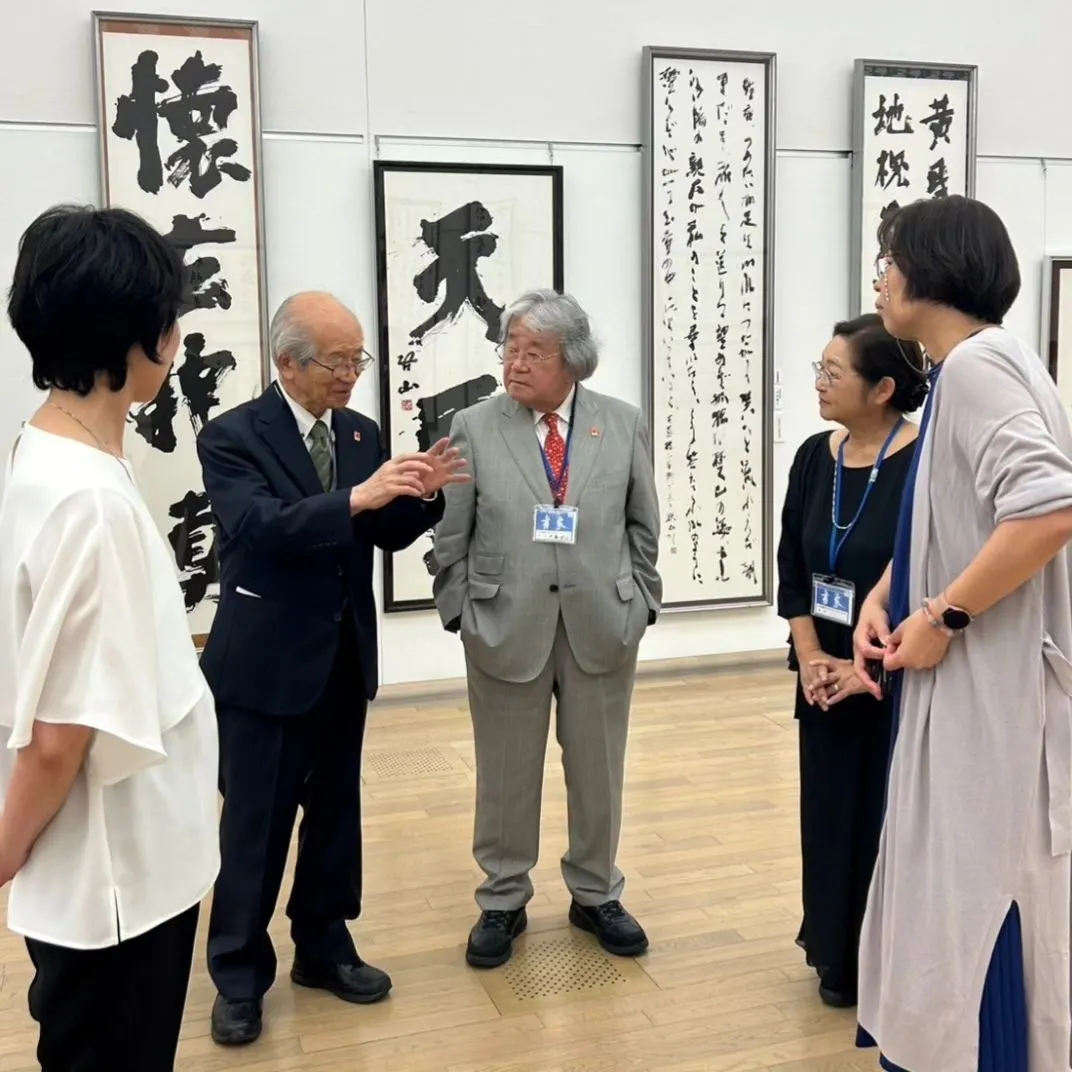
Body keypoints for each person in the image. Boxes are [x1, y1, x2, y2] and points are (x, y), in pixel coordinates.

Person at [197, 291, 467, 1046]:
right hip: (263, 667)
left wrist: (423, 495)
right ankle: (239, 974)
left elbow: (377, 527)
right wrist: (360, 495)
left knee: (336, 815)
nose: (351, 375)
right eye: (337, 361)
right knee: (256, 823)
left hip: (342, 658)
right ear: (287, 361)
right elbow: (261, 526)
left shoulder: (358, 430)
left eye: (358, 360)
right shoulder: (232, 436)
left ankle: (323, 945)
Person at [851, 195, 1072, 1071]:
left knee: (978, 898)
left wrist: (943, 615)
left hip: (995, 696)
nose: (881, 275)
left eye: (890, 256)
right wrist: (892, 585)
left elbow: (1048, 510)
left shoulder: (978, 368)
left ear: (931, 269)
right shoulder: (978, 367)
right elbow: (973, 515)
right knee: (954, 888)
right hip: (979, 689)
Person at [0, 204, 220, 1069]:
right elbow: (60, 738)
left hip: (117, 861)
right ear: (148, 338)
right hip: (115, 875)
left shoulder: (46, 449)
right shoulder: (89, 498)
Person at [432, 288, 661, 968]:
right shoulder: (473, 425)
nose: (516, 363)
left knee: (599, 769)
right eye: (511, 348)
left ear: (574, 361)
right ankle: (502, 900)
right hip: (505, 622)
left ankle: (595, 892)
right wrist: (458, 608)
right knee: (505, 771)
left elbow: (643, 523)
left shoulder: (620, 424)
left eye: (535, 352)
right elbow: (454, 531)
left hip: (601, 622)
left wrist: (641, 600)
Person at [776, 314, 926, 1009]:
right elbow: (795, 574)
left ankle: (884, 964)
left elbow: (931, 581)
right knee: (829, 814)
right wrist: (811, 660)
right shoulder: (814, 457)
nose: (820, 383)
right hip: (823, 679)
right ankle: (835, 952)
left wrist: (864, 670)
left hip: (896, 680)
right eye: (820, 369)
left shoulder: (922, 465)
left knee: (884, 820)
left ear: (884, 387)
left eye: (834, 374)